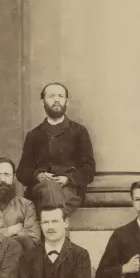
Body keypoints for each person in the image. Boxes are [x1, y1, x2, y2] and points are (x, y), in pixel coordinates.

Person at [16, 83, 96, 212]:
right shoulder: (34, 135)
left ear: (67, 101)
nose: (57, 99)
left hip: (69, 190)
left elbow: (89, 169)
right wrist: (38, 176)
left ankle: (50, 218)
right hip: (40, 190)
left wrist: (68, 179)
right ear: (42, 102)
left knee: (51, 195)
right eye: (51, 96)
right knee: (48, 189)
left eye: (61, 96)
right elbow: (22, 171)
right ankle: (57, 219)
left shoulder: (79, 132)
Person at [0, 157, 41, 241]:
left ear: (13, 177)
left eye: (7, 175)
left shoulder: (26, 205)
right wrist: (10, 231)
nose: (2, 180)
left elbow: (33, 238)